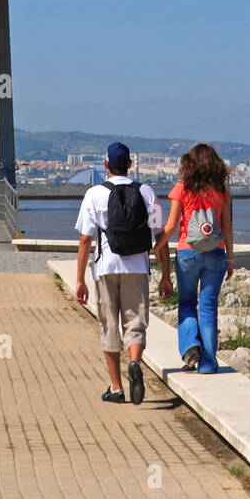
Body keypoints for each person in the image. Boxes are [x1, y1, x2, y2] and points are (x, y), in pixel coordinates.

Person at [75, 142, 171, 405]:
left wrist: (80, 280)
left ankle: (116, 387)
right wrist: (166, 275)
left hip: (105, 268)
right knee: (136, 322)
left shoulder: (94, 194)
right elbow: (160, 236)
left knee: (109, 326)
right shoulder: (146, 192)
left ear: (106, 165)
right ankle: (135, 362)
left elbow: (85, 240)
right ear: (130, 164)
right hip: (137, 267)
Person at [153, 143, 233, 374]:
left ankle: (190, 346)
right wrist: (230, 258)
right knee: (208, 307)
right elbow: (227, 227)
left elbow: (170, 227)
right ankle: (207, 363)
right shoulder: (221, 191)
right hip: (216, 253)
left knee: (187, 303)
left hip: (187, 253)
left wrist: (156, 246)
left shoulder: (182, 188)